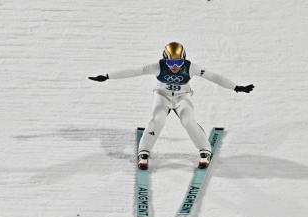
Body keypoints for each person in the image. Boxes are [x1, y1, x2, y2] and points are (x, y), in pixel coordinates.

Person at [89, 42, 254, 170]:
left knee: (188, 121)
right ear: (165, 59)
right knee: (157, 120)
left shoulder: (191, 67)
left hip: (183, 97)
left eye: (178, 61)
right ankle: (144, 152)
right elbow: (134, 71)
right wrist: (107, 76)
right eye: (171, 62)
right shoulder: (157, 67)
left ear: (183, 59)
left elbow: (213, 76)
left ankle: (205, 150)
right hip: (162, 96)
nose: (175, 66)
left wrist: (236, 87)